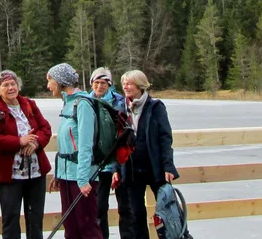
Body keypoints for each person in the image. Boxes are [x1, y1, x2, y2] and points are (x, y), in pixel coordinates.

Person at [0, 69, 52, 239]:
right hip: (9, 174)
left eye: (13, 84)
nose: (10, 88)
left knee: (35, 218)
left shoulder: (28, 104)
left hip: (35, 172)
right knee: (11, 218)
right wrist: (19, 142)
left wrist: (36, 142)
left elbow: (45, 128)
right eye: (5, 85)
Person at [115, 70, 178, 239]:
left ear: (140, 85)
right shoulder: (121, 108)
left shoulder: (155, 107)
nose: (126, 86)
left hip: (154, 166)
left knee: (168, 211)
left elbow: (165, 138)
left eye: (129, 83)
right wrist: (116, 169)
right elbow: (117, 142)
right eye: (124, 83)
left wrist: (168, 166)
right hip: (132, 168)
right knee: (136, 215)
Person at [46, 63, 101, 239]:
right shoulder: (68, 104)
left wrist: (84, 179)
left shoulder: (82, 104)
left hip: (81, 178)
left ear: (61, 81)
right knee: (71, 229)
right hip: (68, 177)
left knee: (88, 228)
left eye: (50, 80)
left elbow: (85, 145)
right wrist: (59, 174)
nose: (48, 86)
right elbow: (67, 145)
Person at [87, 68, 125, 239]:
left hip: (117, 160)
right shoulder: (86, 101)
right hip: (97, 163)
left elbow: (123, 131)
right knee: (99, 207)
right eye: (96, 83)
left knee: (126, 207)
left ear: (109, 84)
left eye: (103, 83)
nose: (99, 86)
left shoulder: (119, 102)